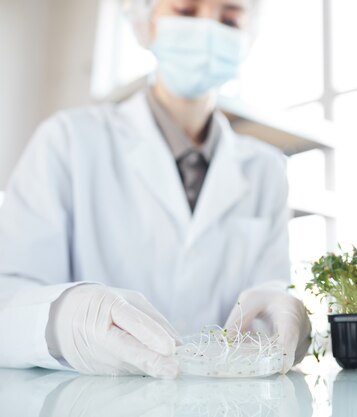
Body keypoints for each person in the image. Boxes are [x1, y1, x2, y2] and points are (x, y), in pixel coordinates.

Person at [0, 0, 311, 378]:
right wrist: (60, 319)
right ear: (143, 24)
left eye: (229, 16)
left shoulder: (267, 168)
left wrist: (283, 314)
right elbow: (8, 295)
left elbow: (267, 297)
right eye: (185, 11)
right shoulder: (67, 140)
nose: (209, 30)